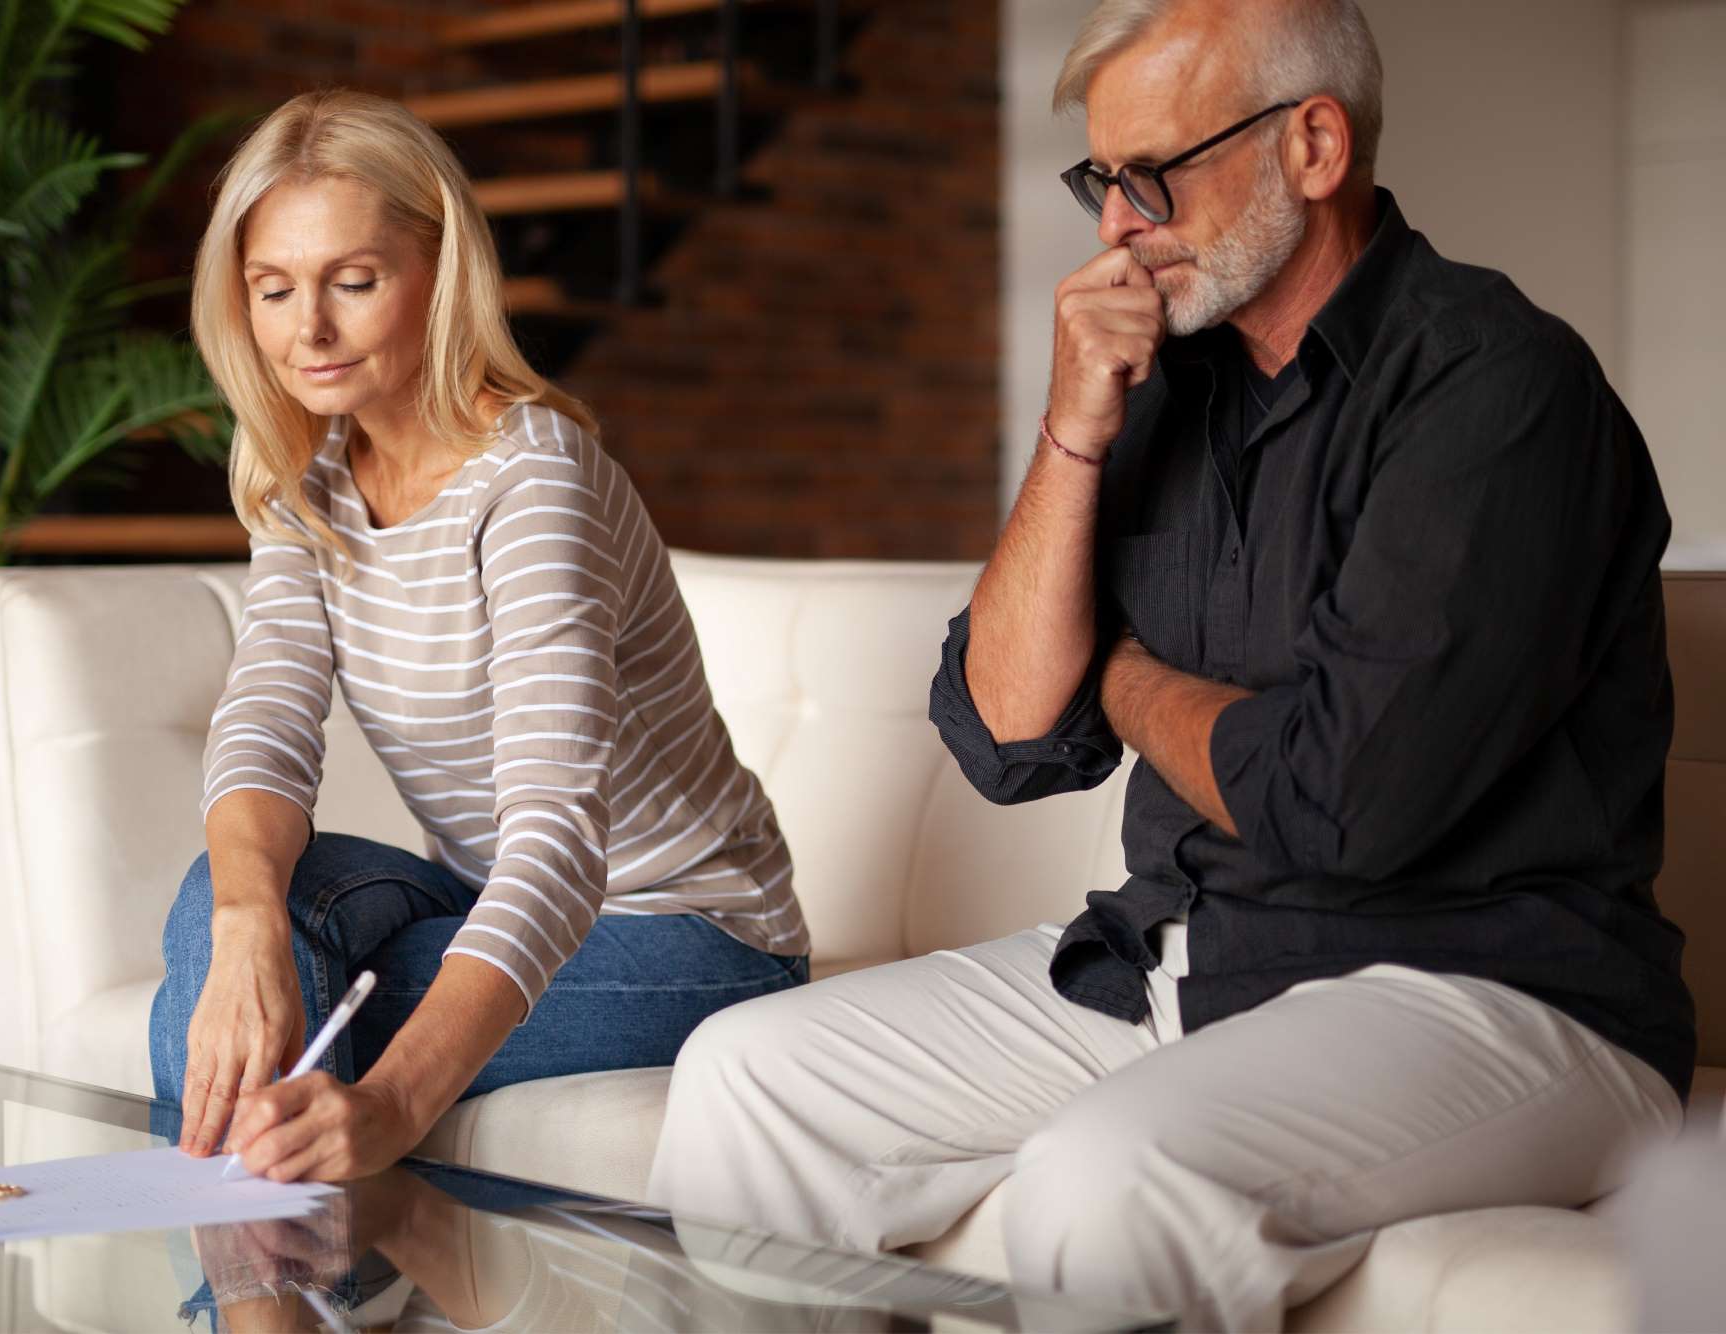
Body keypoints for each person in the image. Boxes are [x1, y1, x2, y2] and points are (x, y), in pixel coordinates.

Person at [648, 1, 1693, 1328]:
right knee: (748, 1073)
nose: (1115, 226)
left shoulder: (1495, 389)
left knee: (1107, 1174)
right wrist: (1073, 432)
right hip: (1187, 955)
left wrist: (1126, 676)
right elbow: (1005, 731)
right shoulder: (1162, 383)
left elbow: (1342, 806)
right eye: (1100, 180)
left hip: (1496, 989)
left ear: (1313, 145)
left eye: (1152, 177)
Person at [149, 89, 809, 1194]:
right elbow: (264, 720)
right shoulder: (304, 480)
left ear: (439, 270)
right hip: (485, 888)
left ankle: (265, 1302)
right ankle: (281, 1296)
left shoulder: (532, 477)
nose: (307, 328)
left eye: (352, 283)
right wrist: (248, 918)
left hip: (691, 932)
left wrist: (393, 1105)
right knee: (222, 912)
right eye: (273, 290)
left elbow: (556, 837)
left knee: (276, 995)